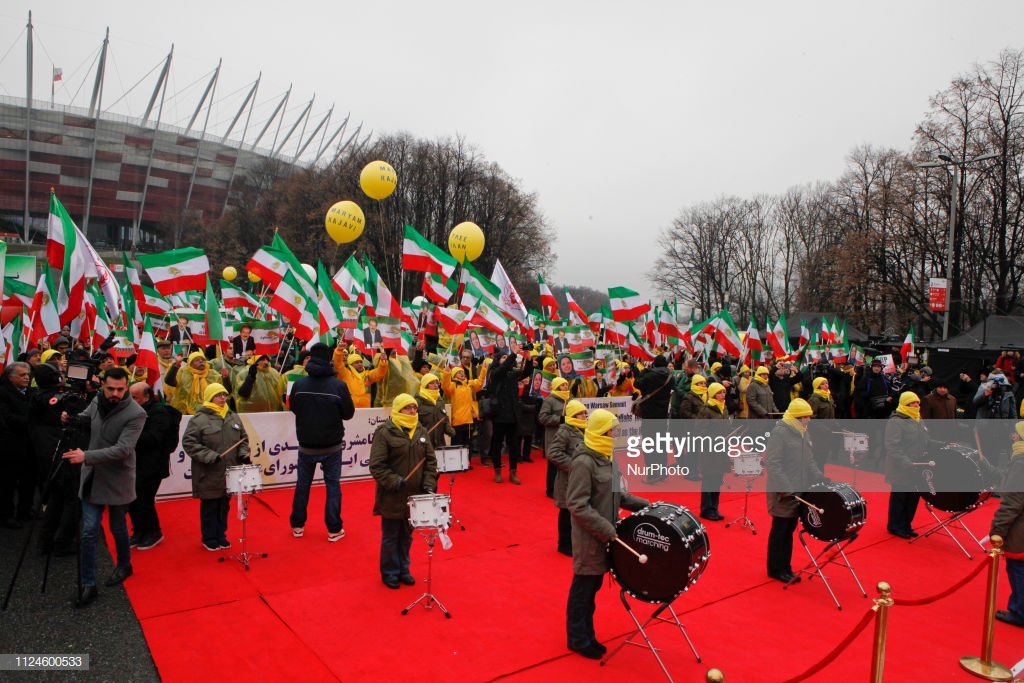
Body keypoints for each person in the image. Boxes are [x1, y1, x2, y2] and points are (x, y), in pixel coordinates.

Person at [565, 409, 649, 659]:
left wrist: (647, 505)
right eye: (613, 430)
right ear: (603, 432)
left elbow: (618, 495)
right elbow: (577, 504)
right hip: (592, 537)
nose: (617, 434)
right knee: (584, 589)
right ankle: (578, 638)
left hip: (607, 535)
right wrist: (606, 530)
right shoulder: (584, 462)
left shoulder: (606, 456)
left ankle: (586, 634)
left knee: (592, 587)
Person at [60, 367, 147, 607]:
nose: (115, 393)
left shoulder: (136, 413)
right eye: (110, 388)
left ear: (127, 387)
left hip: (118, 478)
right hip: (93, 478)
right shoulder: (97, 401)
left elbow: (123, 449)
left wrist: (86, 456)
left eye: (120, 389)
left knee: (118, 527)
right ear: (103, 386)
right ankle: (89, 583)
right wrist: (71, 418)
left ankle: (124, 565)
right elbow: (87, 418)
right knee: (89, 531)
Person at [368, 393, 438, 589]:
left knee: (407, 535)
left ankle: (403, 569)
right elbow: (377, 465)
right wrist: (393, 481)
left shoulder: (421, 431)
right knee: (391, 536)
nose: (412, 411)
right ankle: (389, 572)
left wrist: (428, 484)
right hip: (392, 494)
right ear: (398, 409)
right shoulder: (385, 432)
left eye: (414, 407)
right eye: (408, 408)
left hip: (415, 496)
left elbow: (430, 462)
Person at [288, 343, 355, 542]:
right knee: (333, 486)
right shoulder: (339, 386)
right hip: (332, 446)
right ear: (329, 360)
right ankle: (334, 529)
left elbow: (294, 408)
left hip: (306, 445)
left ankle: (297, 525)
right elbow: (348, 414)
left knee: (302, 485)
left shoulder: (299, 385)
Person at [181, 383, 250, 551]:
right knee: (210, 505)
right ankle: (209, 537)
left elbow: (243, 438)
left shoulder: (233, 416)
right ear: (210, 397)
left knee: (224, 505)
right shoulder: (199, 419)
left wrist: (243, 453)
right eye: (218, 395)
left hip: (229, 471)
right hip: (208, 472)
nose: (222, 398)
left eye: (224, 395)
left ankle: (221, 535)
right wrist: (210, 456)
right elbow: (189, 443)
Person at [764, 397, 826, 583]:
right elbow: (772, 464)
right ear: (795, 417)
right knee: (780, 530)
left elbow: (810, 460)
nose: (808, 420)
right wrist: (786, 489)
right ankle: (775, 568)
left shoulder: (803, 433)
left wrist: (818, 476)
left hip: (799, 491)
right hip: (783, 493)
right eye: (804, 417)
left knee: (789, 529)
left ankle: (786, 566)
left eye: (808, 416)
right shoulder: (780, 432)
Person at [127, 382, 177, 550]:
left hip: (153, 464)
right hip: (135, 462)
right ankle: (139, 531)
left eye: (134, 397)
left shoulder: (158, 413)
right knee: (132, 499)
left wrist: (128, 436)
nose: (130, 400)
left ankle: (154, 532)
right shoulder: (133, 411)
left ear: (146, 397)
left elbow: (153, 439)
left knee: (144, 499)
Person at [884, 392, 935, 539]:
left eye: (918, 403)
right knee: (900, 496)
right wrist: (905, 461)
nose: (917, 406)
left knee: (913, 497)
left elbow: (926, 441)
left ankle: (906, 524)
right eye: (913, 403)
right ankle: (895, 525)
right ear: (906, 404)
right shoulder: (896, 421)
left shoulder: (918, 419)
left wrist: (943, 445)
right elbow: (892, 445)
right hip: (901, 466)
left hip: (917, 465)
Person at [990, 421, 1024, 628]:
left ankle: (1019, 611)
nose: (1012, 437)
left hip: (1020, 530)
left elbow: (1012, 503)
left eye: (1016, 434)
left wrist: (997, 531)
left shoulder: (1020, 462)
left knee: (1018, 569)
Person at [547, 400, 587, 556]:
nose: (584, 416)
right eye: (581, 413)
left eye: (585, 413)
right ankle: (564, 544)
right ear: (572, 414)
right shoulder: (565, 431)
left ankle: (575, 541)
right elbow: (553, 453)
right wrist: (574, 465)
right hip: (567, 478)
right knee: (566, 511)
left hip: (581, 478)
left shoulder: (584, 429)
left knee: (578, 510)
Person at [487, 342, 531, 484]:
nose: (506, 360)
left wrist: (528, 359)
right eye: (503, 357)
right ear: (497, 360)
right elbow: (504, 368)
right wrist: (513, 354)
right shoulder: (494, 372)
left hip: (512, 414)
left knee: (514, 445)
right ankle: (497, 471)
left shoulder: (512, 374)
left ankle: (513, 472)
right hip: (499, 414)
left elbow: (525, 372)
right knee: (497, 444)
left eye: (507, 357)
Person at [0, 361, 34, 528]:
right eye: (22, 375)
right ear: (10, 377)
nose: (27, 378)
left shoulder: (32, 393)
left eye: (27, 374)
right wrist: (31, 423)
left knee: (28, 480)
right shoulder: (3, 393)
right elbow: (7, 418)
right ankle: (6, 514)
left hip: (30, 444)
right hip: (10, 444)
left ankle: (25, 510)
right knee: (8, 482)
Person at [697, 382, 729, 520]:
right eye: (720, 392)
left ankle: (714, 508)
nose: (723, 395)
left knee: (717, 479)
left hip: (721, 450)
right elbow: (700, 431)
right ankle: (706, 509)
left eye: (723, 392)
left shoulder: (723, 408)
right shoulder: (706, 409)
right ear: (713, 393)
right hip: (709, 451)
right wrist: (716, 439)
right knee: (709, 479)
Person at [540, 376, 571, 492]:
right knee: (553, 464)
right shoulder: (550, 400)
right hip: (554, 436)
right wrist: (559, 419)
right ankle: (551, 489)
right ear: (557, 387)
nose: (565, 387)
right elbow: (542, 417)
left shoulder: (569, 400)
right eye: (562, 385)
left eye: (566, 384)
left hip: (566, 436)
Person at [333, 345, 388, 409]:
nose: (360, 364)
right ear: (350, 365)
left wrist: (383, 362)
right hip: (350, 409)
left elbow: (379, 373)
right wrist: (338, 352)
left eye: (361, 362)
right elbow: (338, 364)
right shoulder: (345, 374)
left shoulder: (367, 374)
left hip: (365, 409)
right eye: (356, 362)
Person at [416, 373, 453, 448]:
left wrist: (448, 428)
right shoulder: (417, 401)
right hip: (424, 443)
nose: (436, 385)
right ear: (425, 384)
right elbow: (414, 422)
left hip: (440, 442)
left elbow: (444, 417)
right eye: (432, 383)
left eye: (437, 383)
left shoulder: (440, 400)